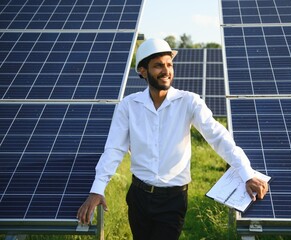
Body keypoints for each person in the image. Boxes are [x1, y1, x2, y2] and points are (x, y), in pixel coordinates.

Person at [77, 38, 268, 240]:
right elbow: (114, 149)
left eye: (169, 64)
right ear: (143, 71)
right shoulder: (128, 105)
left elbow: (218, 136)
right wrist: (97, 189)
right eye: (158, 65)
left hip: (173, 199)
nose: (166, 71)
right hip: (138, 196)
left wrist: (246, 173)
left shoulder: (189, 101)